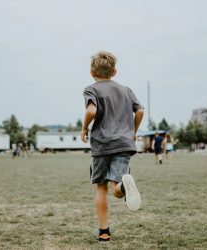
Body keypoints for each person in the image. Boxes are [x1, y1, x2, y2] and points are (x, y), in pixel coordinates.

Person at [81, 51, 144, 242]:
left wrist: (84, 128)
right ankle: (123, 186)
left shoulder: (91, 89)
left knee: (101, 188)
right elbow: (140, 110)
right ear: (114, 71)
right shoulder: (126, 90)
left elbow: (92, 110)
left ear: (92, 72)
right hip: (124, 143)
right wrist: (132, 130)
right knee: (116, 187)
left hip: (102, 144)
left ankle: (104, 232)